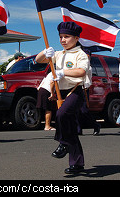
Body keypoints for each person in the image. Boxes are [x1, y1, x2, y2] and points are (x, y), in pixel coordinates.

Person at [36, 21, 89, 175]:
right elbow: (38, 60)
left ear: (77, 38)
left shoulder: (81, 54)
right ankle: (77, 163)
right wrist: (45, 53)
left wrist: (63, 72)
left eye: (67, 36)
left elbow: (81, 72)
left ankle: (63, 143)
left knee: (61, 114)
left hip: (76, 91)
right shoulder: (58, 54)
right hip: (61, 93)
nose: (63, 40)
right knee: (70, 128)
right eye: (60, 37)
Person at [77, 48, 101, 136]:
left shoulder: (88, 67)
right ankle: (78, 129)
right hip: (76, 87)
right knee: (77, 110)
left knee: (84, 110)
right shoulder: (78, 64)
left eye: (87, 56)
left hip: (84, 88)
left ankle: (95, 125)